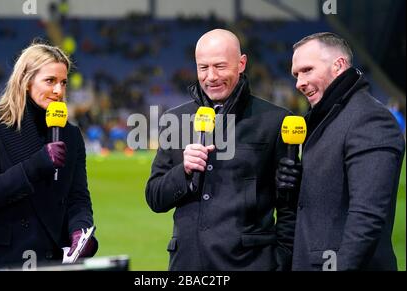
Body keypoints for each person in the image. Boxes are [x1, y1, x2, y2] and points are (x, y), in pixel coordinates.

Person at [145, 29, 296, 271]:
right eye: (203, 68)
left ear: (241, 64)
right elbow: (155, 197)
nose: (211, 76)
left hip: (251, 264)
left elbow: (289, 207)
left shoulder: (275, 121)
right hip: (188, 265)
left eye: (220, 66)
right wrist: (182, 172)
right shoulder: (174, 119)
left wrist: (280, 261)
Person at [279, 32, 405, 270]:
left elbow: (366, 217)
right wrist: (295, 186)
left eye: (307, 70)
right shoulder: (326, 118)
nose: (298, 82)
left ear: (338, 66)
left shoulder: (370, 119)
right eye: (296, 74)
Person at [0, 43, 98, 270]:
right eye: (50, 81)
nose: (59, 90)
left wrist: (80, 230)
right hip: (2, 258)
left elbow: (78, 198)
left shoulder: (71, 134)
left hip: (50, 256)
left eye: (63, 82)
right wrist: (36, 164)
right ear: (26, 81)